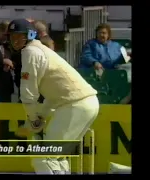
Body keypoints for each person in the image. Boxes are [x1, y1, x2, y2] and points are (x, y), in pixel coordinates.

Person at [7, 19, 99, 174]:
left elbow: (28, 94)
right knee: (57, 156)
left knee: (44, 156)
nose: (15, 40)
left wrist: (33, 120)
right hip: (86, 104)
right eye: (12, 36)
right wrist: (40, 117)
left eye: (19, 36)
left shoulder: (30, 51)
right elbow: (53, 95)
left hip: (75, 105)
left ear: (30, 34)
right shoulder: (40, 50)